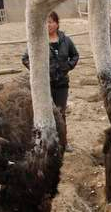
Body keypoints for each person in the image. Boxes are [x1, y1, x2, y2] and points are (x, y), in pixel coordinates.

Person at [22, 11, 79, 150]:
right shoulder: (38, 41)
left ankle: (63, 142)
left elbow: (75, 55)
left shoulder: (66, 40)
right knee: (44, 112)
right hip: (44, 85)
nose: (49, 24)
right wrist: (38, 73)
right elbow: (25, 58)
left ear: (57, 23)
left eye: (51, 21)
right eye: (46, 22)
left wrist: (68, 66)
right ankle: (45, 142)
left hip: (62, 83)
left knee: (60, 113)